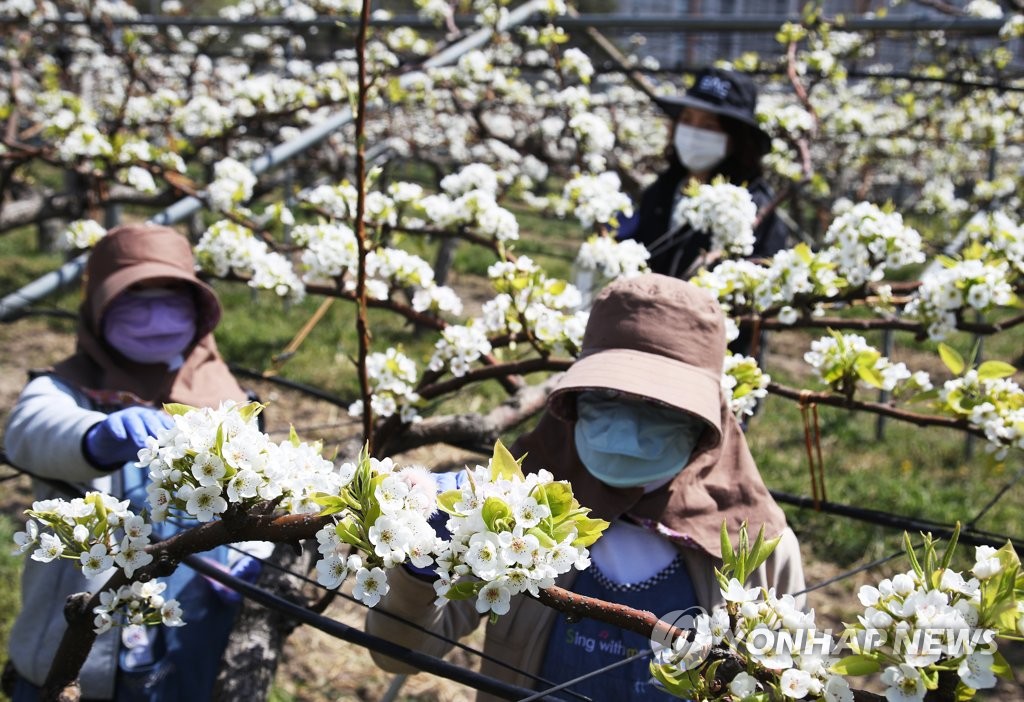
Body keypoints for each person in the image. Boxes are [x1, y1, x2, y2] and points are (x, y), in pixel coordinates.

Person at [365, 274, 805, 701]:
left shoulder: (760, 547)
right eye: (608, 396)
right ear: (574, 398)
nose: (628, 427)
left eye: (659, 406)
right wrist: (421, 567)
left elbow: (786, 683)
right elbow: (402, 656)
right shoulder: (514, 509)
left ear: (708, 419)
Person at [3, 223, 256, 701]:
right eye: (135, 297)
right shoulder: (68, 387)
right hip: (74, 646)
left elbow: (260, 488)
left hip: (187, 629)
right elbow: (31, 431)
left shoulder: (225, 399)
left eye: (172, 297)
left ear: (199, 309)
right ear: (100, 306)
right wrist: (95, 437)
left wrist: (251, 555)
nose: (155, 315)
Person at [618, 66, 788, 280]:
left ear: (736, 138)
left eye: (709, 125)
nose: (694, 132)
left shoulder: (755, 208)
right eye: (687, 120)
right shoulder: (662, 191)